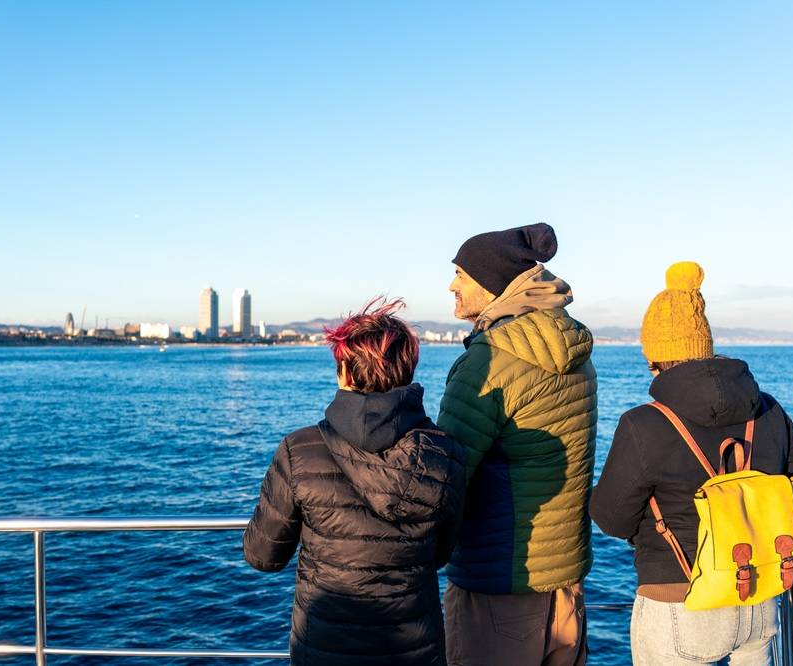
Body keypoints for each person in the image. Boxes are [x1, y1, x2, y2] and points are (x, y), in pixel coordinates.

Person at [591, 261, 793, 665]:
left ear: (656, 357)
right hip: (759, 596)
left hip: (679, 602)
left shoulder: (643, 423)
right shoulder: (768, 410)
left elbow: (612, 519)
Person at [242, 297, 466, 666]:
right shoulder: (445, 453)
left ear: (344, 372)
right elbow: (441, 554)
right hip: (414, 649)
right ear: (407, 370)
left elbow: (262, 555)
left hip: (324, 648)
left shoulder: (300, 450)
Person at [437, 223, 597, 666]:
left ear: (490, 284)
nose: (452, 284)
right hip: (566, 582)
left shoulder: (488, 363)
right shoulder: (573, 352)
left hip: (500, 582)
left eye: (460, 274)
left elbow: (444, 477)